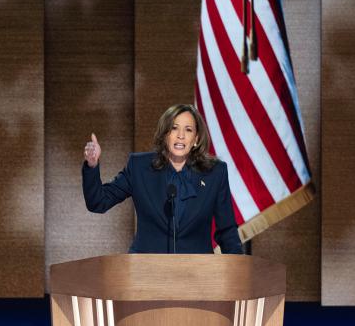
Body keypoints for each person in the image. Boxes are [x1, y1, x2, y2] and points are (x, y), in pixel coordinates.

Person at [82, 104, 243, 254]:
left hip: (197, 275)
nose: (180, 136)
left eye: (188, 130)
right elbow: (98, 202)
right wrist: (92, 165)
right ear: (165, 134)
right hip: (146, 272)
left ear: (196, 139)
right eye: (174, 128)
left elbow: (227, 230)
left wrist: (238, 271)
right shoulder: (139, 167)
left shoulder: (215, 172)